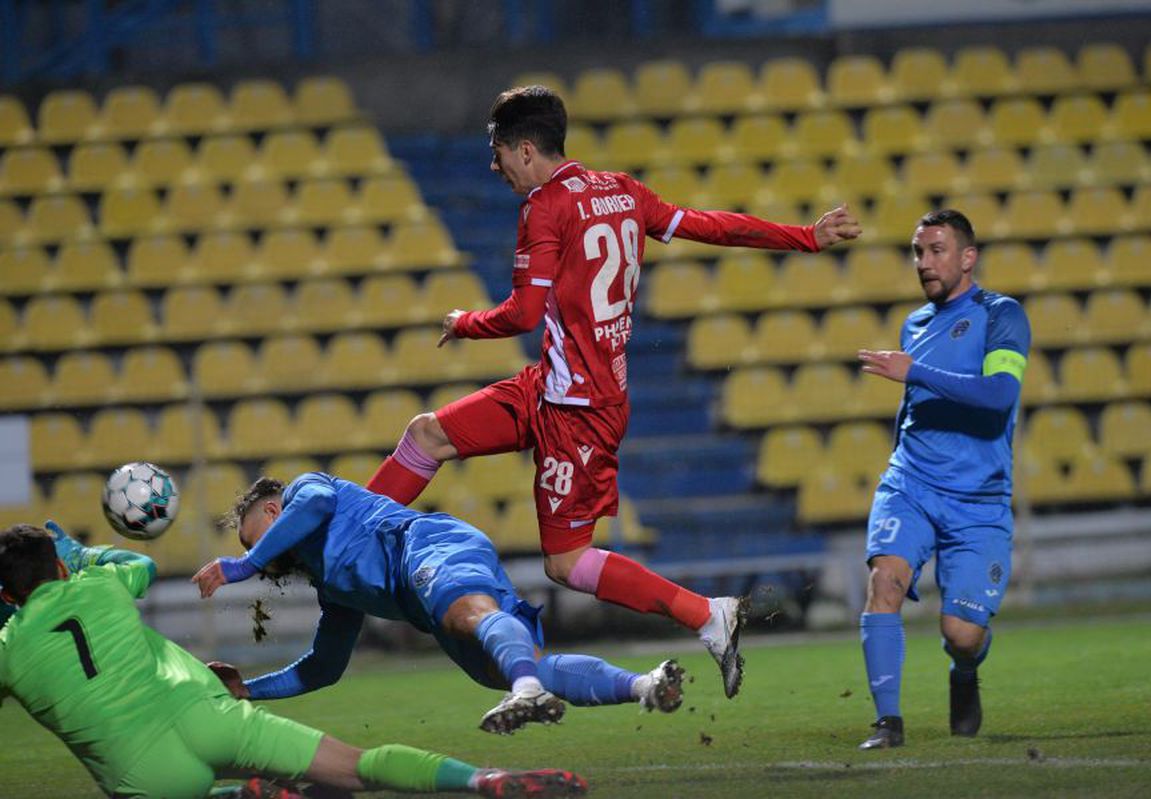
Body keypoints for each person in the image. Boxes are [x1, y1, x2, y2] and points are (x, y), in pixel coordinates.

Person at [365, 85, 863, 699]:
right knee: (427, 434)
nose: (493, 166)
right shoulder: (622, 190)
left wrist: (465, 322)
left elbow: (524, 315)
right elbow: (710, 225)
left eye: (497, 152)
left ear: (525, 149)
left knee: (566, 562)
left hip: (578, 410)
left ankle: (707, 614)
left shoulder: (545, 207)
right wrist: (804, 236)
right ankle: (350, 535)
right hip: (549, 387)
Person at [0, 524, 586, 799]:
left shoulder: (9, 649)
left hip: (139, 769)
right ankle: (485, 780)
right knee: (356, 769)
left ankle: (239, 797)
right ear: (57, 567)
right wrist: (86, 555)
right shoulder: (97, 586)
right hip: (204, 711)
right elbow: (143, 568)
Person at [191, 473, 686, 736]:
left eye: (266, 542)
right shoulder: (332, 586)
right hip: (428, 594)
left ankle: (529, 690)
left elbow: (315, 507)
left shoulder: (307, 488)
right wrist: (249, 692)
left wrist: (243, 565)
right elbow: (323, 668)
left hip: (427, 546)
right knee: (501, 670)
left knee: (466, 616)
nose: (273, 562)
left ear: (276, 510)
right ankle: (645, 685)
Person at [853, 209, 1031, 749]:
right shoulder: (915, 323)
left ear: (967, 258)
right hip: (911, 484)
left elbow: (1000, 395)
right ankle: (888, 723)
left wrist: (916, 371)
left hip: (978, 500)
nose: (924, 263)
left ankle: (965, 670)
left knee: (962, 634)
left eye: (936, 251)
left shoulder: (1002, 316)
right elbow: (913, 406)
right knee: (885, 582)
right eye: (917, 252)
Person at [0, 519, 151, 628]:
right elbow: (146, 565)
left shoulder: (10, 642)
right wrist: (84, 556)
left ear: (7, 596)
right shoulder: (99, 585)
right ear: (62, 568)